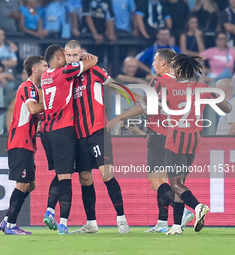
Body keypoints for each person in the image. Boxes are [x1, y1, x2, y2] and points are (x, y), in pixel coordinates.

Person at [107, 48, 194, 234]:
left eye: (155, 60)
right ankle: (162, 223)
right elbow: (144, 101)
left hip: (159, 136)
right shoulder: (180, 83)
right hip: (176, 136)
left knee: (156, 182)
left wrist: (119, 117)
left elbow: (145, 107)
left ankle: (185, 210)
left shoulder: (158, 81)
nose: (152, 64)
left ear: (163, 63)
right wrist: (116, 87)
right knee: (164, 180)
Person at [64, 40, 134, 234]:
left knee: (106, 174)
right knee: (85, 178)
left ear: (81, 55)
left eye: (75, 55)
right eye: (68, 55)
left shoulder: (94, 70)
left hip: (97, 130)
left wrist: (133, 99)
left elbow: (114, 86)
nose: (71, 59)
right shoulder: (66, 76)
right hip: (77, 134)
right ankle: (91, 223)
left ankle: (122, 220)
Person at [162, 54, 232, 235]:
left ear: (177, 70)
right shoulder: (202, 88)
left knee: (175, 184)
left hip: (175, 140)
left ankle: (198, 206)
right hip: (193, 142)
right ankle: (176, 226)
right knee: (181, 184)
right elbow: (227, 108)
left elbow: (151, 107)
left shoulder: (169, 88)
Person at [40, 44, 98, 234]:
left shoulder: (44, 76)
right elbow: (93, 62)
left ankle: (50, 210)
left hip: (46, 131)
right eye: (66, 56)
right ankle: (63, 223)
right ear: (58, 57)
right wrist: (85, 56)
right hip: (63, 130)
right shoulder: (64, 72)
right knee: (66, 178)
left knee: (60, 173)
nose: (69, 59)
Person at [0, 56, 48, 235]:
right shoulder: (27, 87)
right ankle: (11, 225)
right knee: (22, 183)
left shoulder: (34, 89)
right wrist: (52, 104)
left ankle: (6, 219)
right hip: (20, 141)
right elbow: (34, 109)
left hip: (27, 142)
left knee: (30, 184)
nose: (47, 67)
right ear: (35, 69)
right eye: (45, 65)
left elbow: (33, 114)